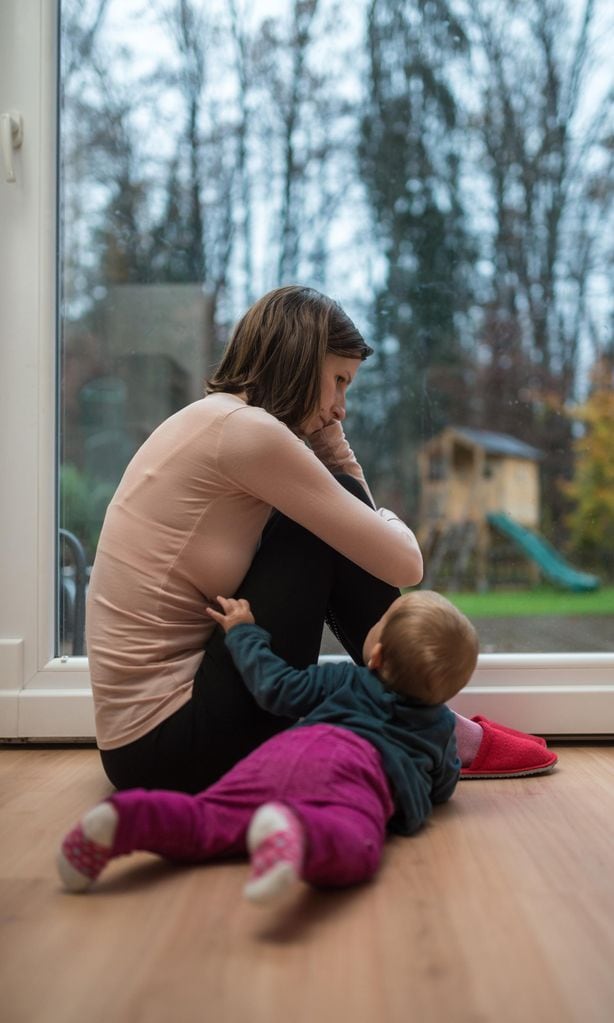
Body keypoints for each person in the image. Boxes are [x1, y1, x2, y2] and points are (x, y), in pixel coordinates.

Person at [85, 284, 556, 795]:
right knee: (326, 521)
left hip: (146, 743)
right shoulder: (249, 435)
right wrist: (363, 489)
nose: (341, 408)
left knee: (334, 513)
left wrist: (328, 439)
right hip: (170, 745)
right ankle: (430, 724)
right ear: (299, 360)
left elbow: (363, 540)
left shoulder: (219, 421)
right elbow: (402, 563)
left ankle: (423, 717)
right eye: (338, 381)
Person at [58, 590, 482, 901]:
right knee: (356, 841)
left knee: (208, 817)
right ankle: (296, 832)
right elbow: (442, 785)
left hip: (285, 753)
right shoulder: (441, 727)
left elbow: (276, 687)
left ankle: (123, 820)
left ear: (375, 656)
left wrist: (244, 634)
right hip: (356, 774)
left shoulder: (345, 680)